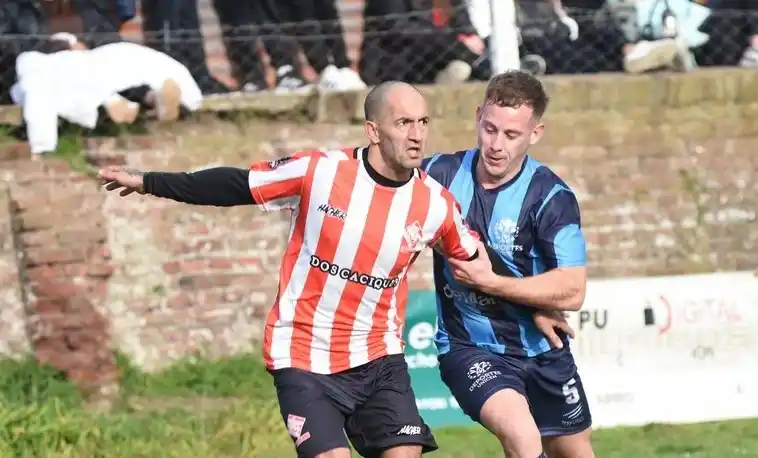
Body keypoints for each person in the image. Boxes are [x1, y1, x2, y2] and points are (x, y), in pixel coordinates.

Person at [98, 81, 479, 458]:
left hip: (377, 355)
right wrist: (150, 182)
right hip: (302, 353)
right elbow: (236, 185)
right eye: (404, 123)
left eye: (424, 122)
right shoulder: (320, 172)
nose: (417, 135)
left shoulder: (436, 204)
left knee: (404, 453)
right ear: (373, 131)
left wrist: (531, 297)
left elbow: (476, 262)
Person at [420, 70, 594, 458]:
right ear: (479, 116)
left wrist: (492, 284)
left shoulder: (551, 197)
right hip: (469, 346)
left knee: (575, 451)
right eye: (489, 129)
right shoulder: (437, 176)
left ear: (536, 133)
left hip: (544, 348)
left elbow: (572, 288)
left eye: (511, 135)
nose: (496, 145)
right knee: (523, 438)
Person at [11, 33, 202, 156]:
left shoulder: (32, 66)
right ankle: (151, 98)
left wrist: (42, 146)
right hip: (103, 72)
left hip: (83, 88)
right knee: (120, 81)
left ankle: (122, 104)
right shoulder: (67, 53)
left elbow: (34, 96)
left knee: (97, 90)